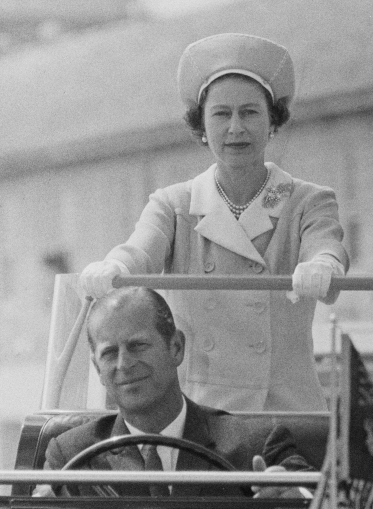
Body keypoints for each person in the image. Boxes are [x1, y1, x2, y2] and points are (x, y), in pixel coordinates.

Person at [79, 33, 349, 412]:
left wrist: (323, 265)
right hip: (200, 414)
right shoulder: (173, 205)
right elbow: (140, 249)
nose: (236, 128)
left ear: (272, 122)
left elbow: (325, 245)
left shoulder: (307, 200)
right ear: (202, 128)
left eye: (250, 112)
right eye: (221, 114)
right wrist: (115, 267)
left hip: (286, 411)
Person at [36, 287, 313, 497]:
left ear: (176, 348)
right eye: (109, 353)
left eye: (138, 346)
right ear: (97, 369)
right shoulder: (71, 456)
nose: (124, 364)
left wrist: (294, 496)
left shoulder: (256, 445)